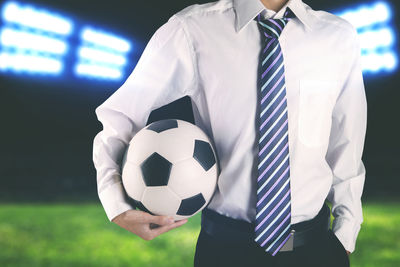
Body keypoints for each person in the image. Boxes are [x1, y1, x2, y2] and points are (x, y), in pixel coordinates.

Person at [92, 0, 367, 266]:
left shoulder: (337, 37)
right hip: (226, 250)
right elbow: (120, 114)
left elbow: (347, 145)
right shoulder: (193, 29)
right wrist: (116, 204)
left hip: (314, 250)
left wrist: (345, 235)